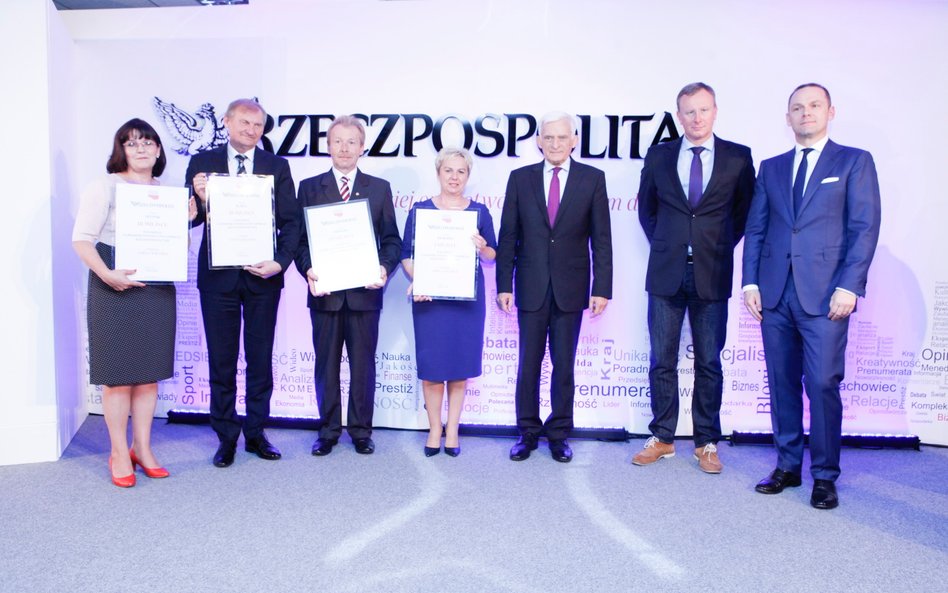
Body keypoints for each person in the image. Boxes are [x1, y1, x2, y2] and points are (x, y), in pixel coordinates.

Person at [742, 83, 881, 509]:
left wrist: (849, 286)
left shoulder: (854, 161)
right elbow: (757, 228)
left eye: (815, 105)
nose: (806, 113)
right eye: (798, 108)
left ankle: (824, 475)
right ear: (787, 118)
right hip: (775, 294)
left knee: (821, 384)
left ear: (830, 112)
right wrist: (750, 282)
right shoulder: (771, 167)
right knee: (781, 382)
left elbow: (864, 228)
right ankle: (787, 466)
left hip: (826, 296)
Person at [634, 83, 756, 473]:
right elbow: (646, 210)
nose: (697, 118)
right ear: (679, 115)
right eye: (689, 111)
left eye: (703, 110)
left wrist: (712, 247)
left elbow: (744, 214)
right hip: (666, 272)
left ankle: (706, 442)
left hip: (713, 271)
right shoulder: (659, 155)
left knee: (708, 363)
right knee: (662, 360)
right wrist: (670, 244)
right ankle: (662, 438)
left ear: (715, 111)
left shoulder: (738, 157)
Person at [73, 118, 196, 487]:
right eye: (131, 143)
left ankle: (142, 448)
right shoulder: (104, 186)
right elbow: (81, 239)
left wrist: (186, 222)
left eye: (147, 142)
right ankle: (117, 452)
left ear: (158, 150)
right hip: (113, 284)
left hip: (156, 287)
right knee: (117, 377)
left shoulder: (170, 194)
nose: (141, 148)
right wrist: (107, 273)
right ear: (121, 151)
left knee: (147, 375)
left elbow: (174, 248)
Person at [187, 99, 302, 468]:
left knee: (260, 359)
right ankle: (225, 436)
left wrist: (280, 263)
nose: (252, 130)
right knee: (221, 361)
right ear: (226, 122)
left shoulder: (276, 166)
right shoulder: (202, 162)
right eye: (245, 122)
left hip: (262, 278)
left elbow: (292, 222)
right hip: (217, 278)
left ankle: (255, 432)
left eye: (258, 125)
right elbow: (190, 220)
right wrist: (199, 200)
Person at [496, 111, 613, 463]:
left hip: (571, 288)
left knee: (564, 366)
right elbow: (509, 235)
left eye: (562, 137)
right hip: (530, 286)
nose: (555, 143)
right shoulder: (520, 178)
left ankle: (559, 434)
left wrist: (602, 287)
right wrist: (503, 284)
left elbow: (601, 239)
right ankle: (527, 432)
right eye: (548, 137)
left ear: (574, 140)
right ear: (539, 141)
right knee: (528, 365)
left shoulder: (593, 179)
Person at [296, 115, 402, 456]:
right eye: (338, 141)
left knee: (363, 366)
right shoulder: (309, 187)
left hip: (364, 295)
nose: (344, 148)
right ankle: (328, 431)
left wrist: (384, 268)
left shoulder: (379, 188)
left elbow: (392, 240)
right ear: (328, 146)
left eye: (351, 142)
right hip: (325, 294)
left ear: (362, 147)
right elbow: (299, 241)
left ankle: (360, 431)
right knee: (325, 366)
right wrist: (308, 269)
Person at [400, 147, 497, 457]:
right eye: (448, 170)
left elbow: (492, 255)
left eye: (461, 171)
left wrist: (482, 247)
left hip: (466, 302)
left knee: (458, 366)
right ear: (438, 173)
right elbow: (406, 255)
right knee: (432, 367)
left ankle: (452, 430)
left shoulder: (480, 212)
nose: (454, 177)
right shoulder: (420, 211)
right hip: (430, 300)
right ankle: (434, 429)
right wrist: (420, 280)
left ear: (468, 176)